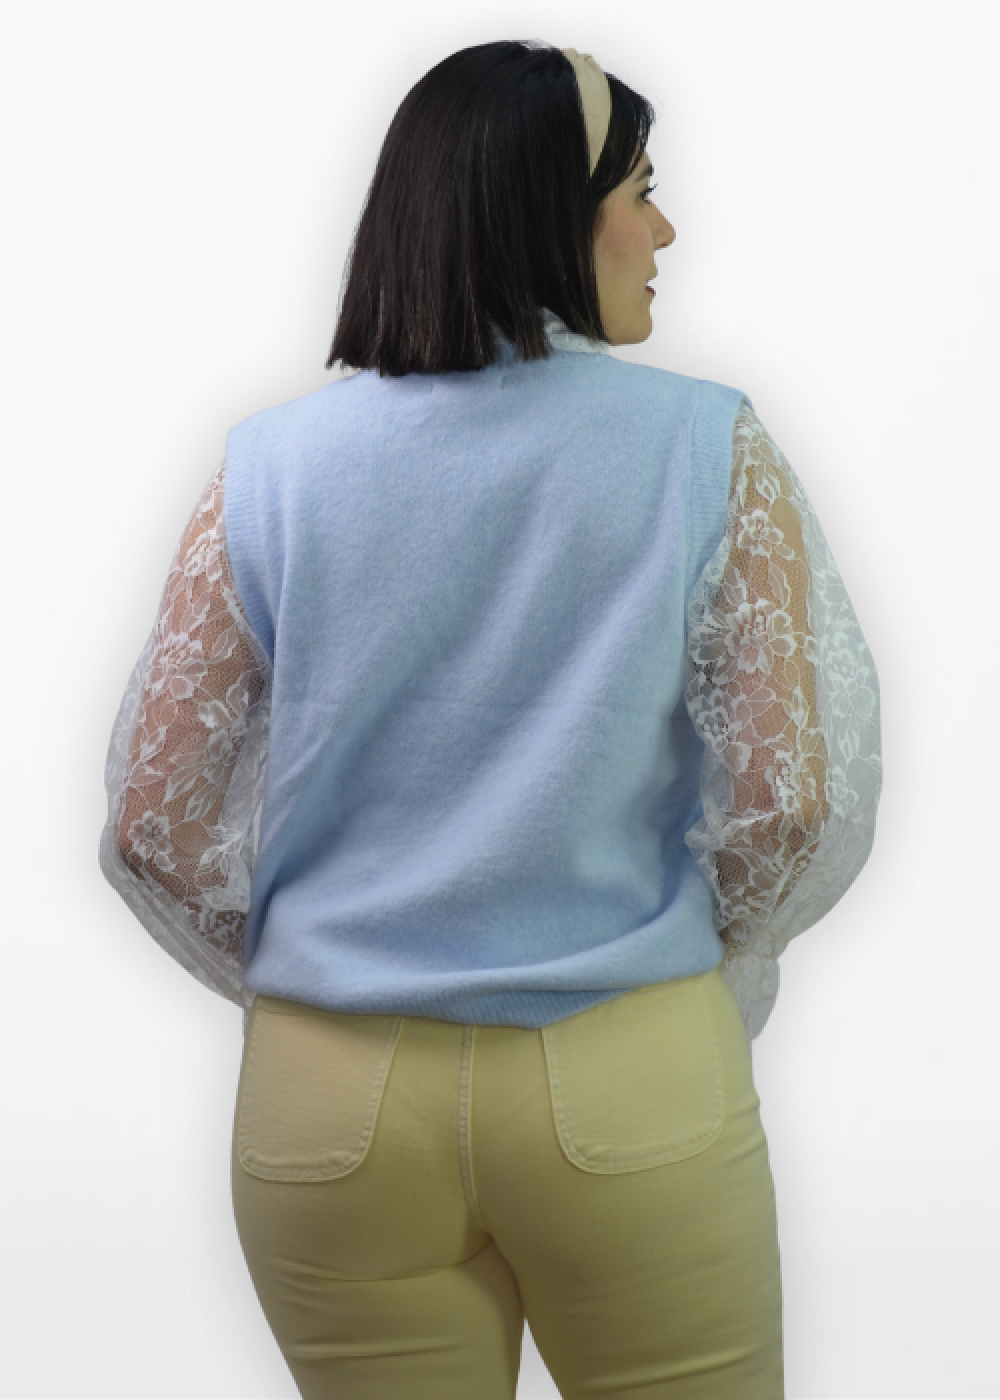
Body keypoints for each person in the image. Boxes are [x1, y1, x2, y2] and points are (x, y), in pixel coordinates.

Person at [98, 40, 882, 1400]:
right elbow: (792, 802)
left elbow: (152, 826)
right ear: (550, 212)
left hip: (328, 1107)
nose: (664, 231)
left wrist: (327, 963)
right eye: (641, 189)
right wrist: (685, 955)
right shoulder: (707, 446)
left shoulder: (268, 468)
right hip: (626, 1072)